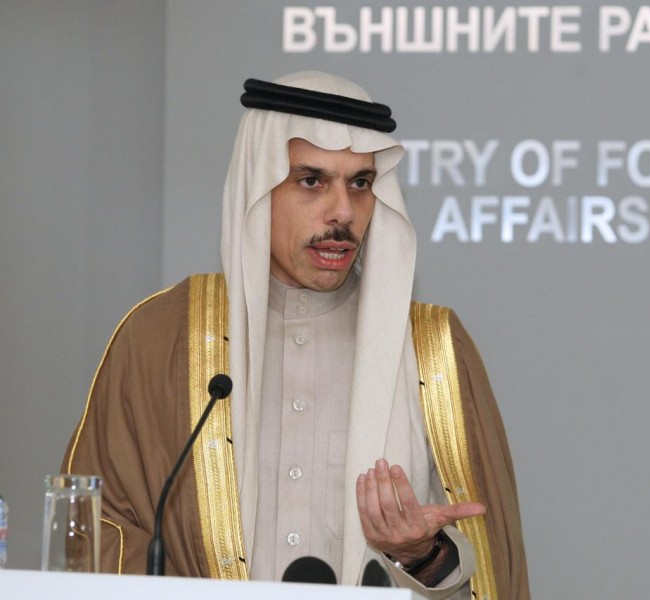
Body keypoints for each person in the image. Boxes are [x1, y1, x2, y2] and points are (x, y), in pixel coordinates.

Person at [62, 71, 529, 599]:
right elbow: (96, 529)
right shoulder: (160, 338)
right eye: (312, 181)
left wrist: (424, 556)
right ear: (257, 189)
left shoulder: (435, 350)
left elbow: (495, 573)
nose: (343, 213)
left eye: (360, 184)